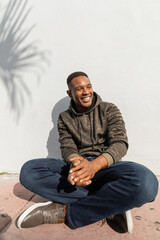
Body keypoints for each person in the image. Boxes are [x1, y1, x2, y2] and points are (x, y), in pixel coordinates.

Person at [17, 71, 158, 233]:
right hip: (77, 165)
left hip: (106, 168)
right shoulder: (65, 117)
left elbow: (120, 143)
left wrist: (94, 166)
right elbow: (67, 145)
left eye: (88, 86)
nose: (86, 92)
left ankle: (63, 212)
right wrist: (77, 166)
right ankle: (112, 205)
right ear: (70, 93)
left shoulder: (109, 109)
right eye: (79, 88)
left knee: (147, 183)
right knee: (29, 171)